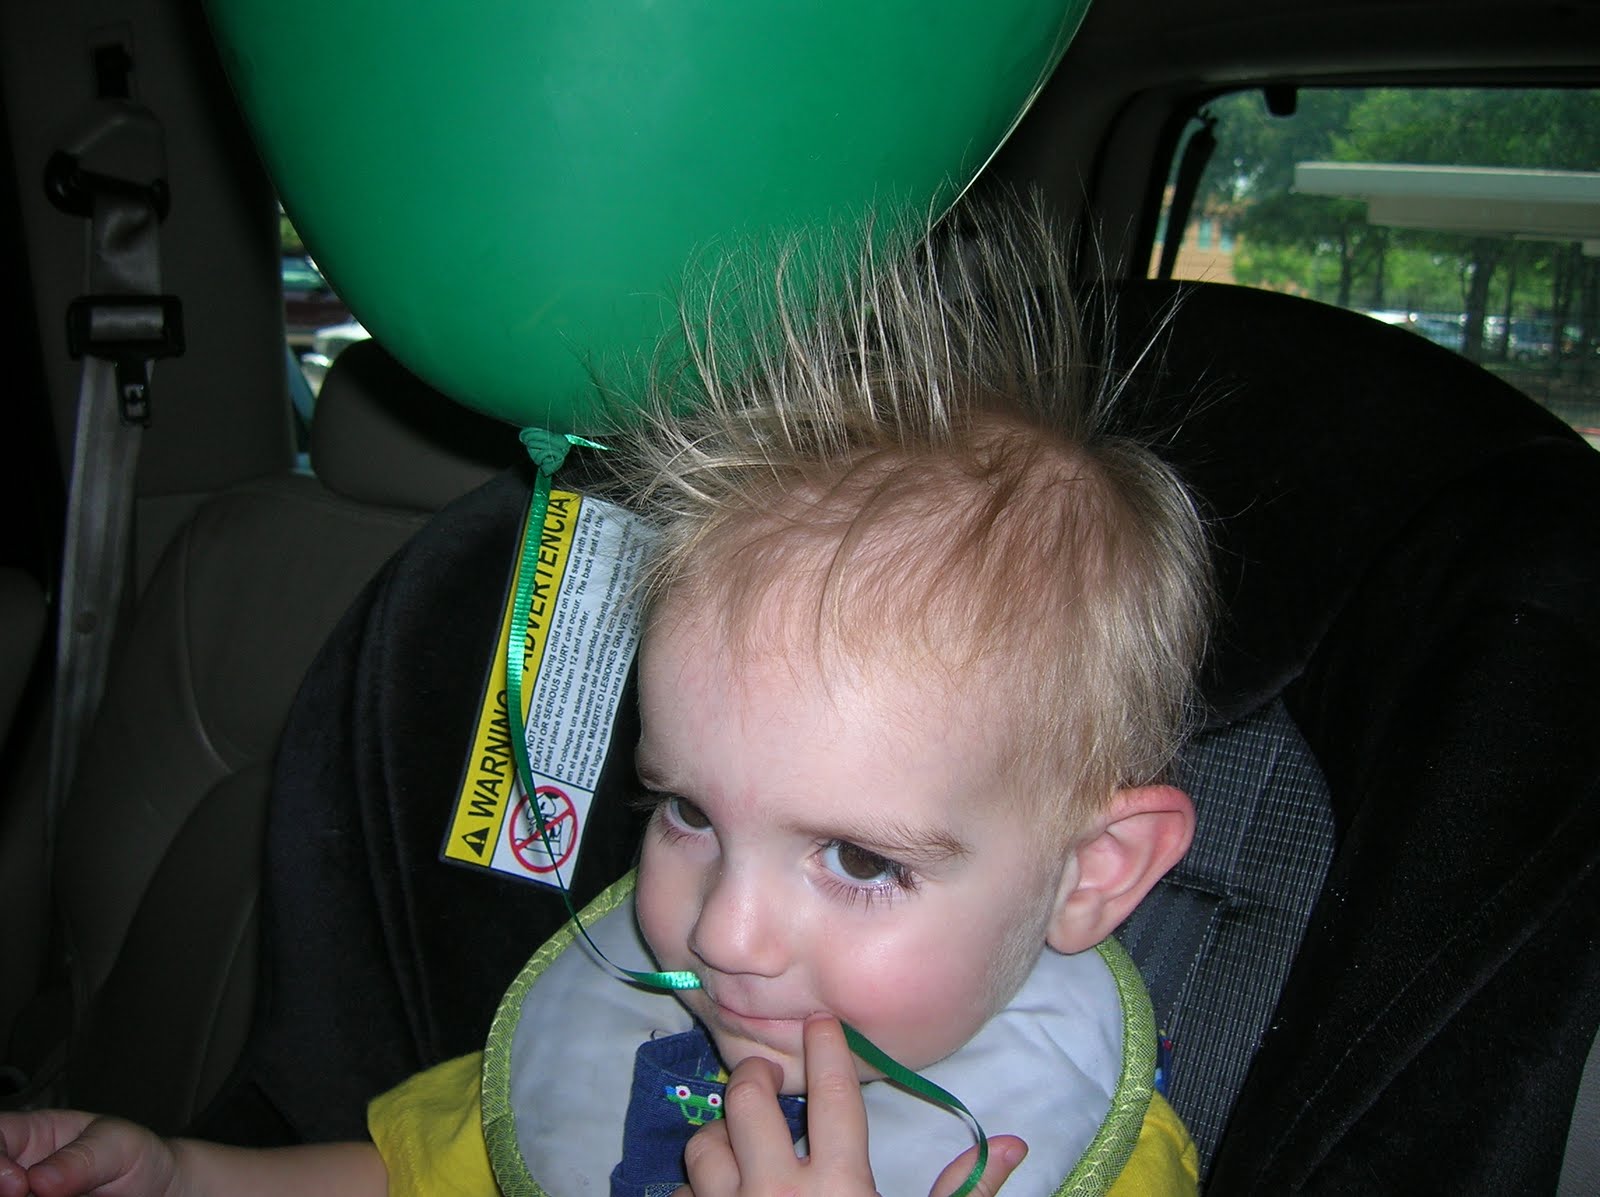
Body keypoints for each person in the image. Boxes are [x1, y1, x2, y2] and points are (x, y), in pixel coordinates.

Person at [0, 202, 1210, 1197]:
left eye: (856, 858)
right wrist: (182, 1174)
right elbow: (420, 1171)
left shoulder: (1099, 1164)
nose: (721, 935)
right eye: (686, 813)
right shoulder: (636, 1024)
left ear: (1093, 873)